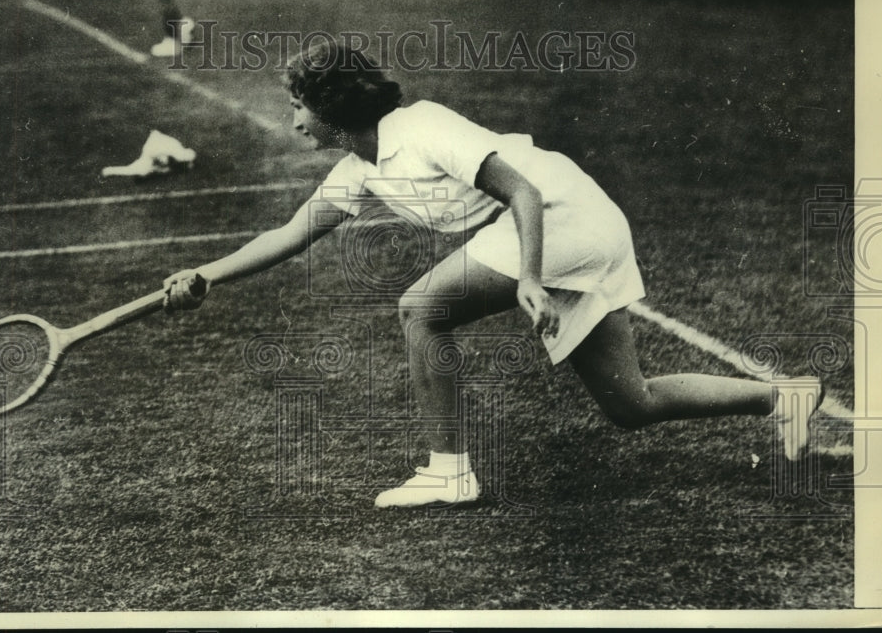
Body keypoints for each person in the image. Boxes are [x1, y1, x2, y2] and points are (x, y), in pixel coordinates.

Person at [162, 40, 823, 508]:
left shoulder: (422, 127)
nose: (294, 121)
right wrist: (206, 276)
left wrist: (530, 278)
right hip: (568, 229)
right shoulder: (357, 170)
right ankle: (782, 396)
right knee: (631, 404)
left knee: (420, 308)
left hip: (562, 217)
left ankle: (450, 474)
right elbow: (290, 234)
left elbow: (524, 192)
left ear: (332, 105)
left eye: (298, 107)